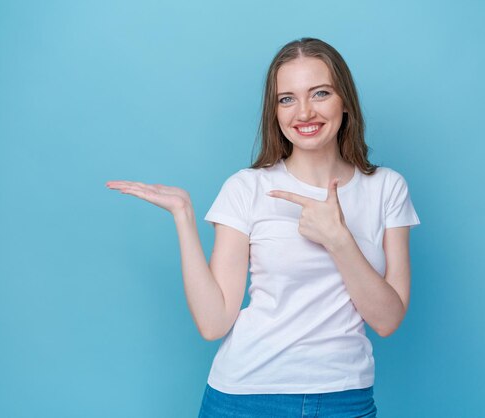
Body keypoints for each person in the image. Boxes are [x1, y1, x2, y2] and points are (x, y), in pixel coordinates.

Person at [106, 37, 420, 417]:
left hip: (345, 397)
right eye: (287, 99)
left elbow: (387, 320)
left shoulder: (386, 187)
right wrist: (184, 216)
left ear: (345, 103)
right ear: (274, 112)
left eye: (319, 93)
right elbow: (213, 322)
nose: (304, 112)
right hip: (245, 396)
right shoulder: (247, 188)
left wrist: (339, 240)